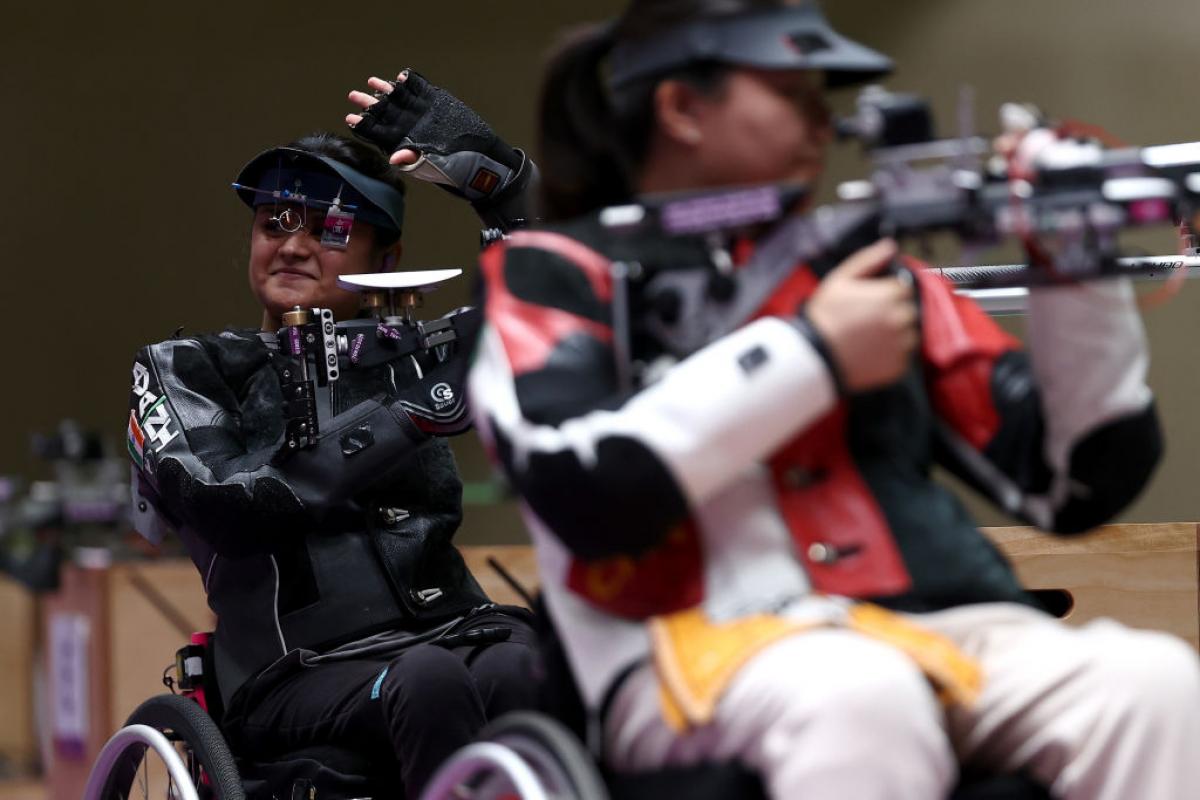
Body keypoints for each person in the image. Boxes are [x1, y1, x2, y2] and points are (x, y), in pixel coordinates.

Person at [466, 2, 1200, 798]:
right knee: (858, 692)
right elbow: (581, 485)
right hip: (683, 644)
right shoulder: (552, 274)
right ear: (682, 108)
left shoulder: (867, 274)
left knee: (1150, 681)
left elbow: (1077, 481)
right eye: (794, 93)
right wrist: (809, 354)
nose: (826, 120)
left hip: (927, 623)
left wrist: (1075, 270)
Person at [127, 73, 538, 797]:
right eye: (274, 222)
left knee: (536, 665)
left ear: (387, 259)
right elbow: (226, 505)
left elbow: (552, 308)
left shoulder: (411, 347)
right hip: (291, 672)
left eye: (332, 229)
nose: (294, 245)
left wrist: (499, 183)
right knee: (431, 682)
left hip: (455, 629)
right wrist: (406, 415)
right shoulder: (183, 367)